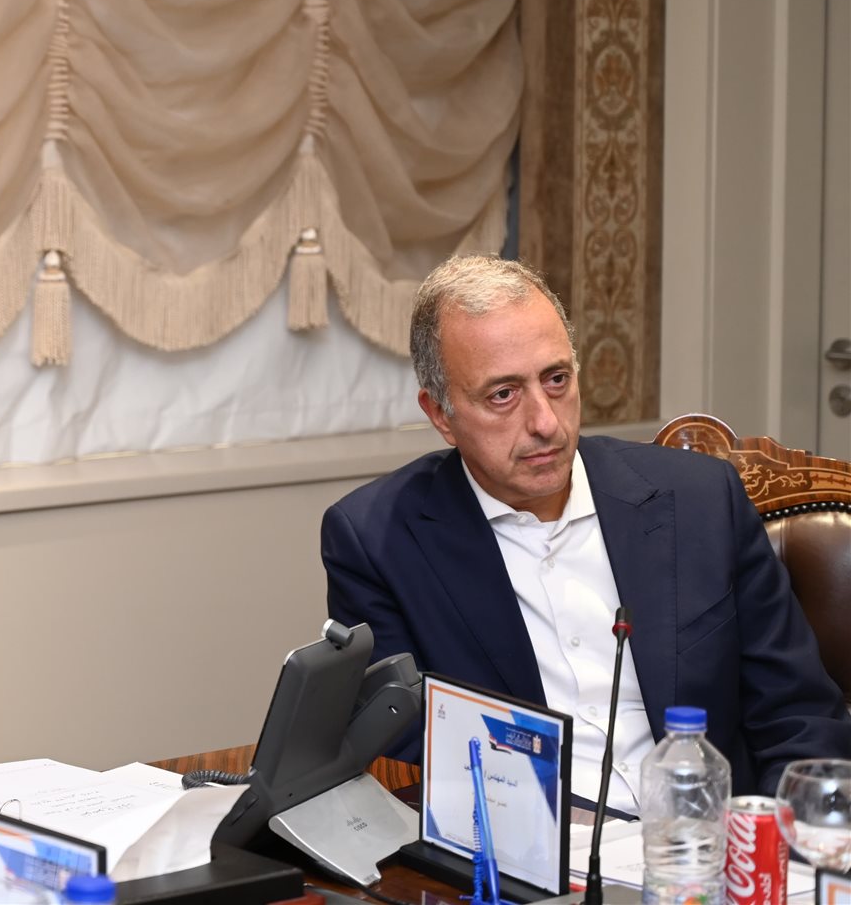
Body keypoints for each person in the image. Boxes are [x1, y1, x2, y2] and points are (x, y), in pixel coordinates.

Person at [322, 254, 849, 812]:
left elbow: (799, 715)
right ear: (441, 414)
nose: (545, 422)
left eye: (556, 380)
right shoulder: (377, 540)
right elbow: (411, 742)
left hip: (708, 839)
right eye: (503, 395)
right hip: (535, 848)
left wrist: (779, 846)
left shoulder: (701, 500)